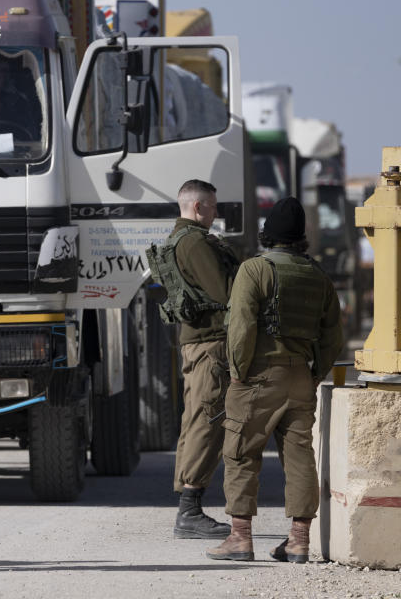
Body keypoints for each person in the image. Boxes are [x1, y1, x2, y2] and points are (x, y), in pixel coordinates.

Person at [207, 197, 344, 562]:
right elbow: (333, 337)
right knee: (300, 456)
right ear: (301, 238)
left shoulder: (254, 270)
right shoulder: (319, 277)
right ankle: (299, 540)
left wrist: (239, 373)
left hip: (257, 376)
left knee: (240, 453)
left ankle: (239, 538)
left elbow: (241, 327)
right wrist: (314, 373)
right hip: (301, 376)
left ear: (268, 235)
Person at [165, 180, 241, 539]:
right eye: (212, 206)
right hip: (210, 344)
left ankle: (188, 505)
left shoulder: (184, 239)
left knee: (196, 417)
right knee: (206, 421)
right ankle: (189, 511)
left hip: (201, 343)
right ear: (197, 208)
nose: (216, 213)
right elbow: (225, 292)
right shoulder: (195, 242)